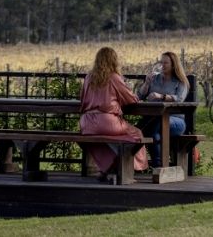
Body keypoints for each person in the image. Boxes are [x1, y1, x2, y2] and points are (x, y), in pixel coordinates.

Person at [79, 46, 149, 181]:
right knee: (136, 134)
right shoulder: (114, 77)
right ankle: (133, 168)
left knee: (102, 140)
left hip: (87, 123)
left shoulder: (88, 77)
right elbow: (131, 99)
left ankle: (108, 168)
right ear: (113, 60)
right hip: (107, 121)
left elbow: (82, 100)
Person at [137, 50, 189, 168]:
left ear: (173, 65)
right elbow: (139, 96)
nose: (162, 65)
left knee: (149, 126)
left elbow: (179, 99)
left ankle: (156, 164)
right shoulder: (154, 79)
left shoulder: (180, 81)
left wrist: (162, 96)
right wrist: (146, 83)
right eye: (161, 62)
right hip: (154, 119)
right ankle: (158, 166)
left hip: (175, 121)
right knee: (154, 132)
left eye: (166, 63)